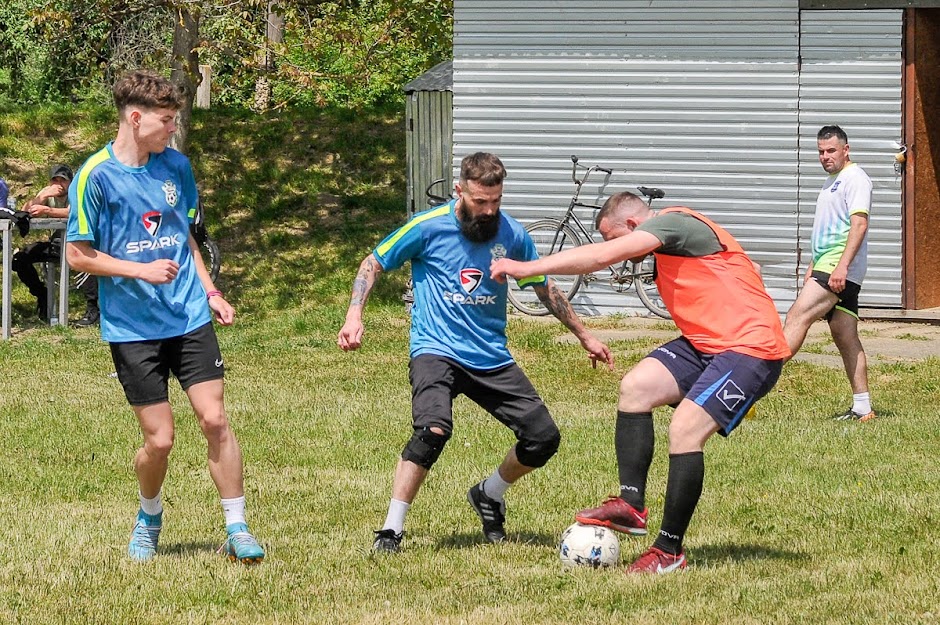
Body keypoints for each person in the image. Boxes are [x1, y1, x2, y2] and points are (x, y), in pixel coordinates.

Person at [491, 192, 790, 574]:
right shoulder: (675, 241)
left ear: (633, 226)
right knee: (636, 387)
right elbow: (752, 270)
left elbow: (600, 259)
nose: (610, 247)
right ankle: (631, 506)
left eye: (612, 236)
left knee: (684, 429)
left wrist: (526, 265)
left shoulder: (672, 223)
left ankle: (669, 552)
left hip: (750, 350)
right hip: (705, 344)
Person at [338, 152, 614, 553]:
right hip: (436, 349)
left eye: (496, 201)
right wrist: (353, 314)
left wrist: (584, 335)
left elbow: (543, 287)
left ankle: (489, 494)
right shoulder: (427, 227)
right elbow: (373, 263)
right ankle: (391, 530)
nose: (488, 211)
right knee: (432, 429)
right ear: (460, 191)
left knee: (543, 438)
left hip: (490, 356)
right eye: (480, 202)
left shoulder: (513, 235)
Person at [65, 70, 264, 564]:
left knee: (215, 420)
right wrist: (140, 270)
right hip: (132, 328)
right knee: (160, 440)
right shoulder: (96, 177)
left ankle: (237, 527)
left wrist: (211, 291)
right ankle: (149, 515)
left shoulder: (176, 166)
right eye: (166, 121)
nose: (172, 130)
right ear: (135, 119)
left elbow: (186, 238)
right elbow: (77, 256)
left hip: (189, 316)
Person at [782, 125, 875, 422]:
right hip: (829, 264)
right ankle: (863, 407)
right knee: (844, 335)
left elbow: (859, 224)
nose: (825, 157)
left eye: (831, 150)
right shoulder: (832, 181)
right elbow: (827, 228)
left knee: (797, 317)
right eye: (821, 152)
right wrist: (812, 263)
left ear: (846, 150)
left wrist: (842, 266)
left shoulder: (855, 178)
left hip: (838, 266)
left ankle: (750, 385)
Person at [11, 164, 100, 325]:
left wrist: (48, 211)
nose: (59, 184)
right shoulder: (48, 195)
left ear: (71, 182)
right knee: (20, 258)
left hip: (80, 243)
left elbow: (75, 212)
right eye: (55, 180)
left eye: (63, 180)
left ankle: (93, 309)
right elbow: (22, 214)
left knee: (86, 258)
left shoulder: (77, 191)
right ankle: (41, 295)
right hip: (57, 244)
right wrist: (42, 195)